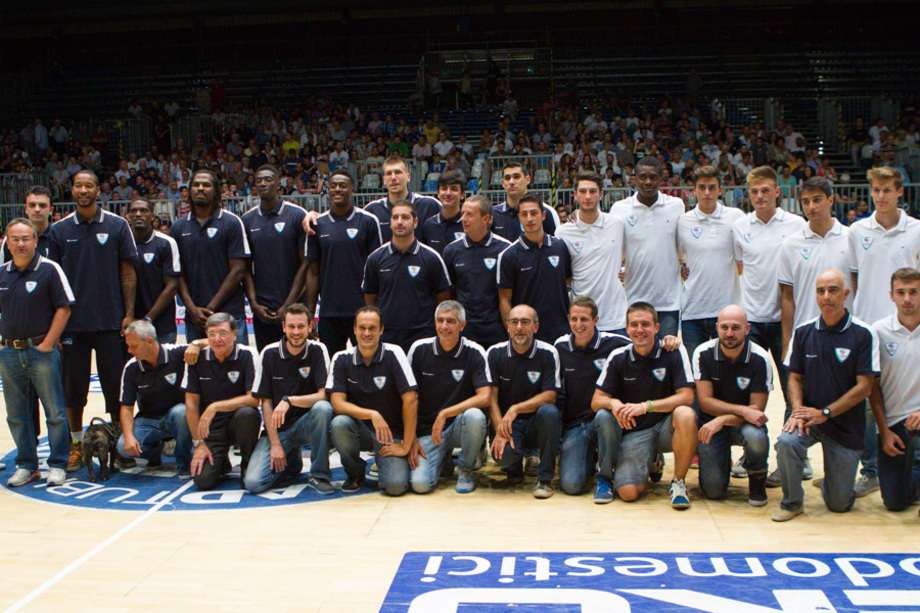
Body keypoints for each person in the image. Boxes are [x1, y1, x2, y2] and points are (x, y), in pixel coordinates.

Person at [49, 170, 138, 472]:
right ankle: (76, 443)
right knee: (74, 391)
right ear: (72, 190)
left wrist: (128, 313)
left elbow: (128, 272)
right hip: (73, 325)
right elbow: (53, 280)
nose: (84, 190)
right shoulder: (59, 230)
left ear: (98, 190)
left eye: (89, 185)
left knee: (115, 389)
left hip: (111, 322)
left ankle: (117, 442)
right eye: (78, 185)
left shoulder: (117, 225)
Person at [772, 270, 879, 522]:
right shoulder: (803, 332)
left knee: (839, 505)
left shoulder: (864, 333)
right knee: (786, 442)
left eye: (833, 290)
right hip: (810, 420)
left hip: (845, 425)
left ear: (846, 294)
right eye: (821, 291)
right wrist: (798, 410)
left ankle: (834, 484)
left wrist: (826, 413)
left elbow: (865, 387)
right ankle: (792, 503)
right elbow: (794, 378)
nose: (826, 296)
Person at [848, 166, 920, 497]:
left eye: (887, 190)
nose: (880, 196)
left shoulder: (916, 230)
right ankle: (870, 470)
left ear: (899, 192)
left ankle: (910, 463)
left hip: (907, 326)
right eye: (876, 190)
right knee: (866, 399)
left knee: (908, 395)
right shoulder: (857, 230)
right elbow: (854, 277)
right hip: (868, 329)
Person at [592, 302, 697, 509]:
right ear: (627, 328)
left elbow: (687, 397)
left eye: (646, 324)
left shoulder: (674, 351)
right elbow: (596, 401)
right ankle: (652, 459)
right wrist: (614, 403)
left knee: (686, 414)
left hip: (667, 427)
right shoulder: (619, 357)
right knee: (628, 493)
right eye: (634, 325)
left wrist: (646, 406)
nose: (640, 330)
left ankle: (678, 482)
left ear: (657, 328)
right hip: (637, 432)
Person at [0, 218, 73, 487]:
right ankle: (27, 465)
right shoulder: (1, 273)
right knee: (16, 415)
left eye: (25, 239)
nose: (20, 244)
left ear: (34, 241)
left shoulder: (50, 269)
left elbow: (64, 307)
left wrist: (48, 344)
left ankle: (58, 464)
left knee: (54, 412)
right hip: (9, 354)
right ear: (7, 243)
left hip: (41, 352)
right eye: (15, 239)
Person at [328, 306, 419, 496]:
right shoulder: (341, 358)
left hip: (390, 432)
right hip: (360, 429)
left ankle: (385, 463)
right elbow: (337, 403)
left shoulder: (394, 353)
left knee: (395, 487)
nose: (367, 333)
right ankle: (355, 473)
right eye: (362, 328)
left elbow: (411, 400)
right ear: (354, 330)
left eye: (372, 328)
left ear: (381, 330)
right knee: (339, 423)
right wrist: (372, 415)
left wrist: (407, 444)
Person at [245, 304, 334, 495]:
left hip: (307, 425)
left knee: (323, 408)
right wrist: (275, 445)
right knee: (254, 483)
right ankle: (291, 462)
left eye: (301, 326)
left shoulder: (318, 350)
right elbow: (266, 402)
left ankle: (319, 474)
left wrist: (289, 400)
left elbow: (324, 395)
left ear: (310, 327)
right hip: (279, 430)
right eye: (291, 326)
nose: (296, 332)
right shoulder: (269, 353)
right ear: (284, 327)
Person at [406, 301, 490, 494]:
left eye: (451, 321)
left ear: (462, 325)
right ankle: (443, 461)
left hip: (460, 426)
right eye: (440, 320)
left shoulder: (475, 351)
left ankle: (465, 469)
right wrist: (411, 437)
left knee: (475, 416)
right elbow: (408, 398)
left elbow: (485, 397)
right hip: (428, 430)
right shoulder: (418, 349)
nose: (444, 326)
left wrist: (445, 413)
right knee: (420, 485)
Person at [693, 305, 773, 506]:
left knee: (756, 436)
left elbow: (756, 411)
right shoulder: (702, 353)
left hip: (743, 424)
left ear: (747, 329)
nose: (729, 333)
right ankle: (721, 464)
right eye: (725, 327)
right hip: (711, 425)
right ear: (717, 327)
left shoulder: (761, 358)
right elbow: (705, 403)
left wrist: (723, 419)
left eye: (736, 328)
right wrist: (742, 410)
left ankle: (757, 481)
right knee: (713, 491)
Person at [554, 297, 629, 502]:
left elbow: (645, 345)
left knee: (604, 415)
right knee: (571, 485)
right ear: (568, 319)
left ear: (596, 320)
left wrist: (668, 341)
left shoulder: (616, 343)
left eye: (584, 319)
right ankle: (590, 458)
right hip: (578, 425)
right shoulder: (560, 347)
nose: (579, 324)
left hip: (609, 420)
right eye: (574, 319)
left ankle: (605, 477)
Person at [488, 304, 563, 498]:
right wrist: (499, 429)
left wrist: (516, 408)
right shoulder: (494, 353)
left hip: (536, 423)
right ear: (508, 326)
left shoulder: (548, 352)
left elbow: (550, 396)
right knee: (504, 456)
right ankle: (514, 469)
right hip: (508, 424)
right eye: (514, 322)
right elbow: (491, 398)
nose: (519, 327)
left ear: (535, 327)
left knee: (550, 412)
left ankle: (544, 479)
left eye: (525, 322)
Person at [1, 186, 57, 441]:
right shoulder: (11, 242)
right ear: (25, 208)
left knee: (56, 398)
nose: (37, 209)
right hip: (20, 335)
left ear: (50, 210)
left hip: (52, 332)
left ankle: (65, 449)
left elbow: (64, 292)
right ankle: (29, 446)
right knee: (23, 400)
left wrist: (54, 336)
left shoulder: (59, 236)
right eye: (32, 205)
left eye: (42, 205)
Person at [305, 169, 381, 355]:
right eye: (333, 186)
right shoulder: (317, 224)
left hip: (362, 311)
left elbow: (378, 270)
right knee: (332, 365)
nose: (337, 189)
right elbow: (313, 272)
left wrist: (376, 310)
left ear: (352, 190)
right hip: (330, 312)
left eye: (343, 185)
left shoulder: (368, 221)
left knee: (368, 362)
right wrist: (310, 313)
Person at [170, 169, 251, 345]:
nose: (200, 188)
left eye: (206, 185)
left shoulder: (232, 222)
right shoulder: (178, 227)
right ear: (189, 191)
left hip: (229, 314)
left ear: (215, 191)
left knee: (236, 363)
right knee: (198, 363)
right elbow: (177, 274)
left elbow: (238, 270)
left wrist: (211, 308)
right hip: (195, 319)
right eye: (196, 185)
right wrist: (192, 309)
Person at [183, 313, 262, 491]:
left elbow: (254, 399)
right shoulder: (195, 358)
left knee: (247, 413)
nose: (217, 339)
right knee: (203, 481)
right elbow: (191, 404)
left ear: (235, 334)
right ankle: (221, 462)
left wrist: (215, 407)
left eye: (223, 333)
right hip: (212, 429)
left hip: (238, 423)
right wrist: (198, 443)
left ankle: (247, 463)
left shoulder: (248, 354)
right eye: (212, 334)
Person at [610, 157, 686, 337]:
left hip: (668, 301)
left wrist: (685, 265)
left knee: (666, 352)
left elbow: (683, 245)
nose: (648, 182)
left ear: (661, 179)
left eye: (653, 177)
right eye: (643, 177)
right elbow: (613, 247)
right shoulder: (619, 209)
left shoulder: (676, 205)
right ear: (634, 179)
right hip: (633, 299)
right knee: (635, 353)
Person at [363, 200, 452, 353]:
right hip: (387, 336)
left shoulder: (432, 258)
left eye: (405, 217)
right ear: (390, 223)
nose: (400, 222)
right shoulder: (375, 258)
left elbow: (443, 298)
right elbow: (371, 298)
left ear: (415, 222)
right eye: (395, 217)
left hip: (423, 336)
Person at [677, 166, 745, 359]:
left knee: (728, 371)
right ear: (694, 190)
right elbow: (679, 257)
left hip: (727, 311)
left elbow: (742, 261)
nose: (707, 192)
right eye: (702, 187)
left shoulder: (736, 217)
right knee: (696, 371)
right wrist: (683, 269)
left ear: (720, 190)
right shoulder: (683, 221)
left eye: (712, 187)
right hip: (692, 311)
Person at [118, 320, 199, 479]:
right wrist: (128, 436)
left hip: (177, 417)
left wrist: (196, 344)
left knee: (182, 412)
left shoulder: (175, 352)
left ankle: (184, 462)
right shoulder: (131, 367)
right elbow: (126, 408)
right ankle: (154, 451)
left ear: (149, 341)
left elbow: (212, 344)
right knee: (123, 448)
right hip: (149, 419)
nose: (129, 350)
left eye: (133, 346)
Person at [241, 165, 308, 351]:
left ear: (278, 184)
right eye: (259, 181)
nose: (263, 184)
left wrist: (288, 304)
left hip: (294, 306)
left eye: (268, 180)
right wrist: (254, 304)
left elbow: (305, 265)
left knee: (299, 359)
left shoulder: (297, 215)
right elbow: (245, 268)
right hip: (263, 310)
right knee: (267, 359)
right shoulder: (247, 220)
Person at [871, 268, 920, 513]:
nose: (907, 299)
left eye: (913, 292)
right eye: (901, 293)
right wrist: (884, 431)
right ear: (891, 296)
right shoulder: (878, 331)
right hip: (894, 425)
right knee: (894, 503)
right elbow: (872, 387)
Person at [555, 172, 628, 334]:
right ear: (575, 195)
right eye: (582, 191)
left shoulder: (616, 223)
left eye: (593, 191)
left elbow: (629, 255)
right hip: (581, 320)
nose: (587, 196)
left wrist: (625, 272)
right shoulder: (563, 232)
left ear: (600, 195)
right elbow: (564, 275)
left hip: (615, 319)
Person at [497, 194, 572, 344]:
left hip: (561, 331)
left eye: (534, 213)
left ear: (543, 215)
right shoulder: (509, 255)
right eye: (524, 214)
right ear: (519, 217)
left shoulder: (560, 247)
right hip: (527, 334)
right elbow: (505, 300)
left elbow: (568, 282)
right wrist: (513, 334)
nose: (529, 219)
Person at [441, 195, 511, 349]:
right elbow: (450, 291)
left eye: (469, 214)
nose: (463, 219)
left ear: (486, 218)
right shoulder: (451, 250)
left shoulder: (505, 249)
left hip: (496, 328)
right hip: (465, 328)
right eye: (463, 213)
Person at [126, 198, 181, 344]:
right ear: (128, 216)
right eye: (134, 211)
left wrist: (147, 319)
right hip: (128, 325)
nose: (138, 214)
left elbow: (172, 286)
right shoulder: (122, 242)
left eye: (143, 210)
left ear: (152, 216)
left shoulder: (166, 243)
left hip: (161, 327)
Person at [364, 155, 440, 242]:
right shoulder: (372, 210)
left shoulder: (429, 205)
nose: (393, 178)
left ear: (408, 177)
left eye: (398, 172)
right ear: (384, 180)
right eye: (389, 173)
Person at [490, 161, 560, 242]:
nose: (511, 182)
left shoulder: (546, 211)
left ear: (527, 179)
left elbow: (555, 245)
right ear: (502, 183)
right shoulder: (493, 214)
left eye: (516, 177)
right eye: (507, 178)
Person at [420, 170, 466, 255]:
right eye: (444, 188)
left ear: (462, 194)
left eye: (454, 189)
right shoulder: (428, 226)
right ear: (438, 193)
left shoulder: (468, 224)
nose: (448, 193)